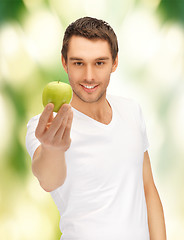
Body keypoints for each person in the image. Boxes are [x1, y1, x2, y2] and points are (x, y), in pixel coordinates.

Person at [26, 16, 166, 240]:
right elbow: (49, 180)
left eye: (99, 63)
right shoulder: (48, 127)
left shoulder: (132, 111)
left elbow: (148, 188)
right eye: (78, 63)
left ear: (115, 62)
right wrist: (53, 148)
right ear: (65, 63)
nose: (89, 76)